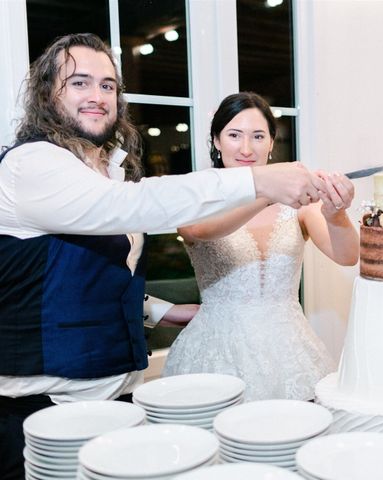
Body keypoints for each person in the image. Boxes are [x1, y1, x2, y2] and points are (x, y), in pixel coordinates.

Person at [0, 34, 326, 479]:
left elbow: (89, 274)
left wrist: (161, 310)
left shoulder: (106, 170)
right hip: (41, 410)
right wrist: (259, 183)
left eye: (108, 85)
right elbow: (133, 206)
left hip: (115, 397)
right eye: (79, 83)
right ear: (45, 94)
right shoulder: (33, 164)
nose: (97, 96)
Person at [162, 92, 359, 401]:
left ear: (271, 143)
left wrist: (336, 213)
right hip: (216, 353)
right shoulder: (198, 195)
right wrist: (267, 191)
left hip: (291, 353)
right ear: (216, 141)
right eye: (234, 135)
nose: (245, 148)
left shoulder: (297, 206)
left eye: (257, 136)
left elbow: (347, 256)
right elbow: (199, 230)